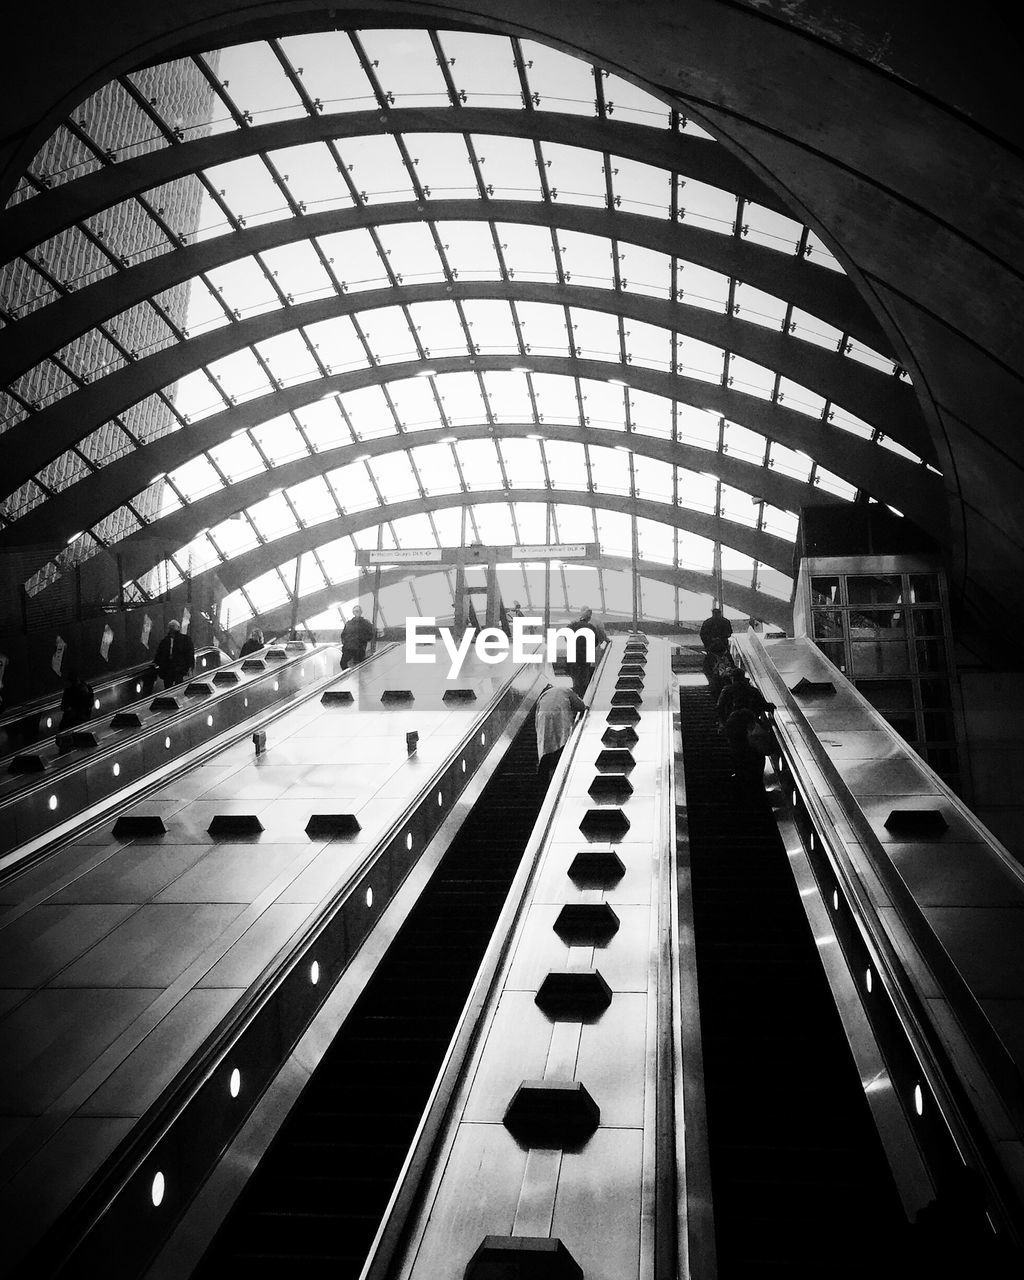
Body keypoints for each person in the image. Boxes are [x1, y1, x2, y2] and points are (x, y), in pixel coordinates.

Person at [535, 681, 586, 787]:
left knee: (546, 747)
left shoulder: (543, 695)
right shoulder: (566, 690)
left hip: (543, 719)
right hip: (560, 717)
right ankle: (557, 774)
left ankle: (543, 779)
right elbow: (580, 705)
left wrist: (538, 732)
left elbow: (536, 719)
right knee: (562, 743)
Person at [565, 606, 608, 698]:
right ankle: (584, 696)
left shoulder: (572, 625)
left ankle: (576, 694)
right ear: (589, 618)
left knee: (575, 676)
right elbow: (597, 641)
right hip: (585, 656)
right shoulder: (592, 626)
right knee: (584, 675)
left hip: (573, 656)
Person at [152, 619, 195, 689]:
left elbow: (189, 654)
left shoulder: (185, 639)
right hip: (167, 668)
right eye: (171, 628)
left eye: (173, 627)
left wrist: (190, 666)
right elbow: (160, 653)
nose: (172, 630)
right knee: (168, 686)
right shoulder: (165, 641)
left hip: (179, 668)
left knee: (178, 686)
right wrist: (156, 662)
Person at [340, 604, 374, 669]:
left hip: (359, 648)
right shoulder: (349, 623)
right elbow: (343, 635)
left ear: (361, 612)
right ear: (353, 612)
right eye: (355, 611)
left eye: (358, 611)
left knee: (359, 665)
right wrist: (345, 643)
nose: (356, 613)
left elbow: (370, 635)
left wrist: (361, 640)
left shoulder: (366, 623)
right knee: (343, 663)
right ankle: (348, 676)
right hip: (348, 648)